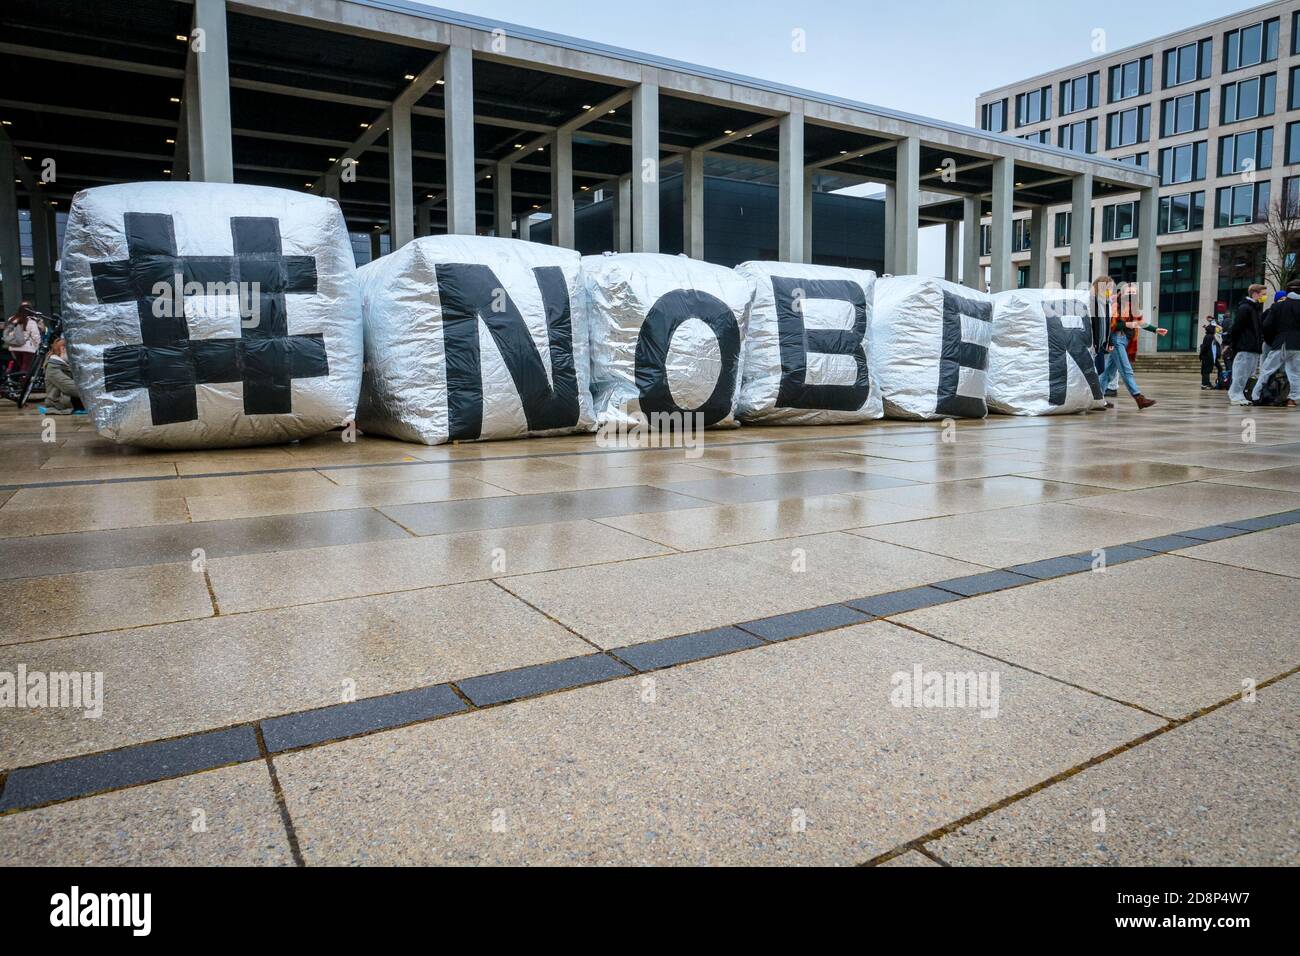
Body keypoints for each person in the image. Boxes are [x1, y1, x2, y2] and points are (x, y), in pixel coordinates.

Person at [1098, 283, 1168, 410]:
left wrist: (1156, 329)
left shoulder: (1132, 306)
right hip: (1116, 339)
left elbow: (1139, 322)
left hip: (1124, 340)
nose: (1132, 294)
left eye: (1134, 292)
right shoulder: (1115, 305)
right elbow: (1112, 326)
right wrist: (1129, 324)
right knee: (1126, 370)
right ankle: (1138, 398)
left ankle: (1096, 399)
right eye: (1129, 292)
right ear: (1123, 292)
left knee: (1109, 373)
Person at [1251, 278, 1300, 408]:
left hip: (1280, 343)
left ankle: (1256, 396)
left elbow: (1266, 326)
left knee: (1267, 370)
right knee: (1295, 373)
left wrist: (1272, 340)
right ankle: (1292, 399)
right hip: (1297, 345)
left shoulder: (1278, 306)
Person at [1227, 284, 1267, 406]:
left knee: (1248, 373)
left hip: (1252, 346)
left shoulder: (1254, 308)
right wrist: (1233, 343)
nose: (1264, 297)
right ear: (1255, 293)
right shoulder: (1245, 308)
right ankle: (1235, 394)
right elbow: (1237, 327)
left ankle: (1240, 394)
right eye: (1263, 294)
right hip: (1245, 346)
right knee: (1241, 372)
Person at [37, 338, 83, 416]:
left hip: (69, 398)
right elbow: (69, 387)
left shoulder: (64, 364)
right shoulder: (53, 367)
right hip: (61, 402)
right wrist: (90, 393)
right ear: (62, 349)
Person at [3, 302, 41, 377]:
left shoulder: (12, 320)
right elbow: (35, 336)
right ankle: (23, 385)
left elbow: (9, 332)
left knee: (21, 366)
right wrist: (38, 346)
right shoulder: (31, 322)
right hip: (28, 348)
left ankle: (17, 382)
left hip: (14, 347)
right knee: (26, 367)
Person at [1199, 316, 1223, 390]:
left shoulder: (1212, 336)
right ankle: (1205, 384)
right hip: (1208, 356)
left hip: (1211, 356)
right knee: (1206, 370)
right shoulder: (1209, 337)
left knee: (1218, 369)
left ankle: (1210, 383)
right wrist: (1201, 355)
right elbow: (1205, 347)